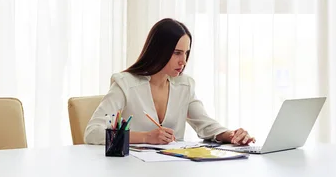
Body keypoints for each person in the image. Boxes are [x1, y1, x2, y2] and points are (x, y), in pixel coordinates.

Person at [84, 18, 255, 145]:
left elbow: (206, 124)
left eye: (186, 53)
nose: (184, 61)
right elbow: (92, 133)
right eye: (177, 53)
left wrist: (231, 135)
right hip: (132, 172)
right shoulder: (125, 84)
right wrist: (145, 137)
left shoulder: (184, 85)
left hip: (173, 172)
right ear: (158, 51)